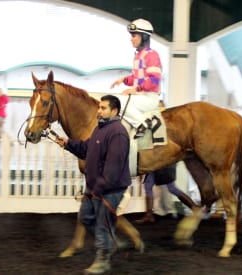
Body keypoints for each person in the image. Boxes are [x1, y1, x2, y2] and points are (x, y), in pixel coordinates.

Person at [56, 95, 131, 274]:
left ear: (114, 111)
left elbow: (113, 168)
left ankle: (103, 260)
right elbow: (86, 148)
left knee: (102, 223)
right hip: (96, 187)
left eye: (103, 108)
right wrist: (68, 144)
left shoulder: (118, 133)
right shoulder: (100, 129)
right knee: (86, 217)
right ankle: (111, 242)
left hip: (109, 189)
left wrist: (97, 190)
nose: (99, 110)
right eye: (99, 107)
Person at [110, 18, 162, 139]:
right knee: (118, 99)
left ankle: (142, 124)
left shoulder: (152, 54)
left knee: (116, 101)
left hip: (149, 98)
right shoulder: (139, 55)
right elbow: (136, 78)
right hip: (140, 97)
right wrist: (123, 80)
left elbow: (154, 80)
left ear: (144, 37)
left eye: (134, 35)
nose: (131, 38)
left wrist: (133, 90)